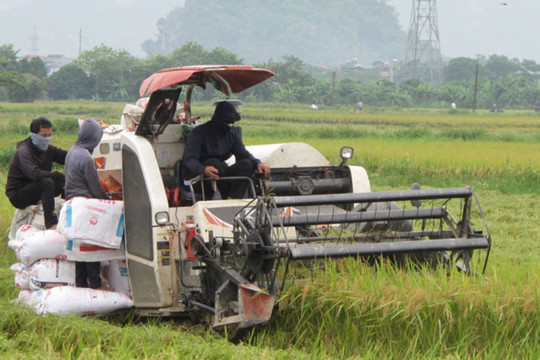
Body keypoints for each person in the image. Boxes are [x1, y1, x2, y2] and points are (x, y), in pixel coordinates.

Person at [182, 100, 270, 199]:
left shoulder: (231, 134)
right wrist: (204, 169)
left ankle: (233, 198)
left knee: (247, 164)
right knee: (214, 162)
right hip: (197, 177)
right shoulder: (198, 133)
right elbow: (190, 160)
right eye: (227, 122)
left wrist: (257, 163)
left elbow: (243, 154)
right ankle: (222, 197)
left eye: (232, 122)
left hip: (221, 174)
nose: (230, 125)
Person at [64, 118, 110, 290]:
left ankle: (81, 285)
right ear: (94, 138)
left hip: (73, 205)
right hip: (85, 206)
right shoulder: (86, 157)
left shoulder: (72, 152)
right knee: (91, 248)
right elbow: (95, 188)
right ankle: (95, 285)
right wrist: (109, 201)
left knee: (79, 249)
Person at [5, 117, 67, 230]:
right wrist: (57, 174)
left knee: (64, 181)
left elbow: (66, 157)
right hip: (18, 194)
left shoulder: (48, 149)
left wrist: (81, 154)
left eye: (49, 135)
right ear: (34, 135)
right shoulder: (24, 151)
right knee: (48, 182)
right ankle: (51, 224)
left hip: (36, 189)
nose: (47, 139)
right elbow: (34, 174)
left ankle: (67, 214)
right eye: (44, 136)